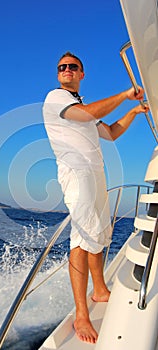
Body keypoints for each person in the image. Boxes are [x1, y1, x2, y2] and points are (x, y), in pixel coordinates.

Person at [42, 51, 149, 344]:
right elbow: (91, 113)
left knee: (99, 234)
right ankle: (80, 314)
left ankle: (99, 289)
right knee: (82, 237)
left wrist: (133, 112)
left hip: (95, 176)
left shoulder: (79, 107)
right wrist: (126, 95)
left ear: (81, 74)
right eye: (62, 67)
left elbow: (111, 132)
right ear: (59, 74)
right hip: (76, 176)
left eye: (72, 67)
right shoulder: (57, 98)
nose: (66, 70)